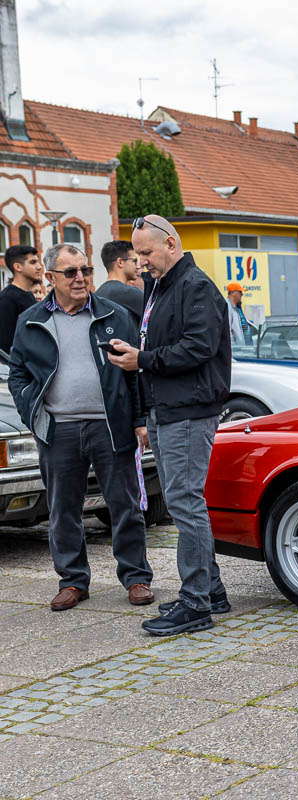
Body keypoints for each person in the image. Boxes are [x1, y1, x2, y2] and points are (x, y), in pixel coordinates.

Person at [8, 243, 154, 612]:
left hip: (110, 426)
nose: (80, 278)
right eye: (70, 272)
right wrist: (31, 413)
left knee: (125, 505)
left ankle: (136, 577)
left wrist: (139, 420)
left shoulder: (114, 314)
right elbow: (18, 373)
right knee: (63, 510)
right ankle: (73, 581)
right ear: (50, 277)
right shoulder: (31, 320)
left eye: (85, 270)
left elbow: (135, 374)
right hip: (59, 430)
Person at [107, 214, 233, 636]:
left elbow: (198, 347)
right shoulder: (160, 286)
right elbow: (161, 344)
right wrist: (136, 353)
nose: (141, 261)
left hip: (190, 409)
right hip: (166, 408)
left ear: (171, 245)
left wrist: (141, 359)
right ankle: (210, 590)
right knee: (184, 502)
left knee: (184, 503)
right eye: (138, 254)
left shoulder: (195, 286)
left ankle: (196, 604)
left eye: (146, 253)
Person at [0, 244, 42, 356]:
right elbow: (5, 345)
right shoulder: (7, 299)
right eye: (33, 262)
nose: (39, 267)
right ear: (18, 267)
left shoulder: (29, 295)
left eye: (38, 262)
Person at [97, 240, 144, 319]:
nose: (138, 266)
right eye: (134, 261)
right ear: (120, 262)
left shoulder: (97, 295)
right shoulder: (132, 293)